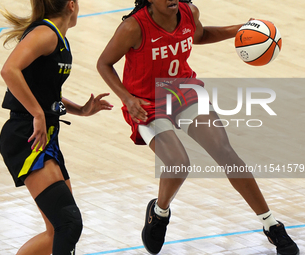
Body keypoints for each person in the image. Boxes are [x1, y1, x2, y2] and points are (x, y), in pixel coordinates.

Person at [97, 0, 299, 254]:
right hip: (146, 103)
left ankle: (271, 225)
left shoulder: (188, 12)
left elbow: (200, 34)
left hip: (183, 92)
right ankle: (159, 213)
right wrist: (127, 98)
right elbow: (104, 63)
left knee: (225, 153)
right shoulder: (132, 28)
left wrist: (238, 29)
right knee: (178, 164)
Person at [0, 1, 113, 254]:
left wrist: (81, 110)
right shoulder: (46, 34)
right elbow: (9, 70)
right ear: (71, 5)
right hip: (26, 135)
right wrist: (37, 114)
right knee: (68, 224)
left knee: (57, 232)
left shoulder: (58, 38)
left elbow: (44, 92)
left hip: (44, 135)